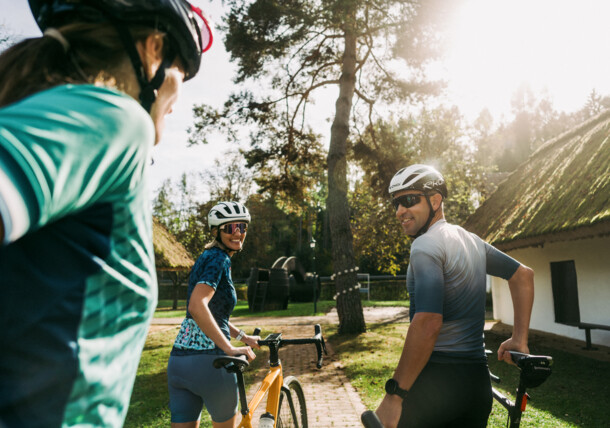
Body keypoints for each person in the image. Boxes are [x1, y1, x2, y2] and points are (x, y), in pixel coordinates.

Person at [0, 1, 213, 427]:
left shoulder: (50, 112)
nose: (177, 98)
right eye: (181, 74)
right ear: (154, 50)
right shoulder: (119, 118)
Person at [376, 164, 535, 428]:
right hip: (476, 384)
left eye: (409, 200)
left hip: (435, 384)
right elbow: (523, 276)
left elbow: (428, 323)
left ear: (435, 200)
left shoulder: (424, 245)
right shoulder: (471, 240)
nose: (400, 211)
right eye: (396, 204)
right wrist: (520, 339)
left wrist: (394, 396)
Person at [167, 201, 260, 428]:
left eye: (242, 227)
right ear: (215, 231)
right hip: (212, 364)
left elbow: (213, 315)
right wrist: (229, 348)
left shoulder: (205, 257)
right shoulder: (220, 259)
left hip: (179, 363)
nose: (237, 232)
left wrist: (242, 337)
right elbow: (197, 307)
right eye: (229, 228)